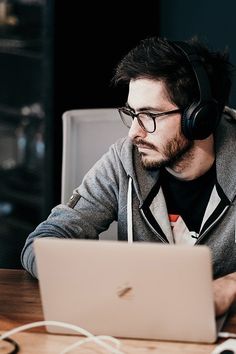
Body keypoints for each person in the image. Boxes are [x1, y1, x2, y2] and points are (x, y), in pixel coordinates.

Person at [21, 36, 236, 317]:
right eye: (132, 113)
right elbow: (44, 240)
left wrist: (230, 286)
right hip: (138, 326)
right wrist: (89, 278)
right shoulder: (124, 159)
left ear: (199, 118)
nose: (134, 133)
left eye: (149, 115)